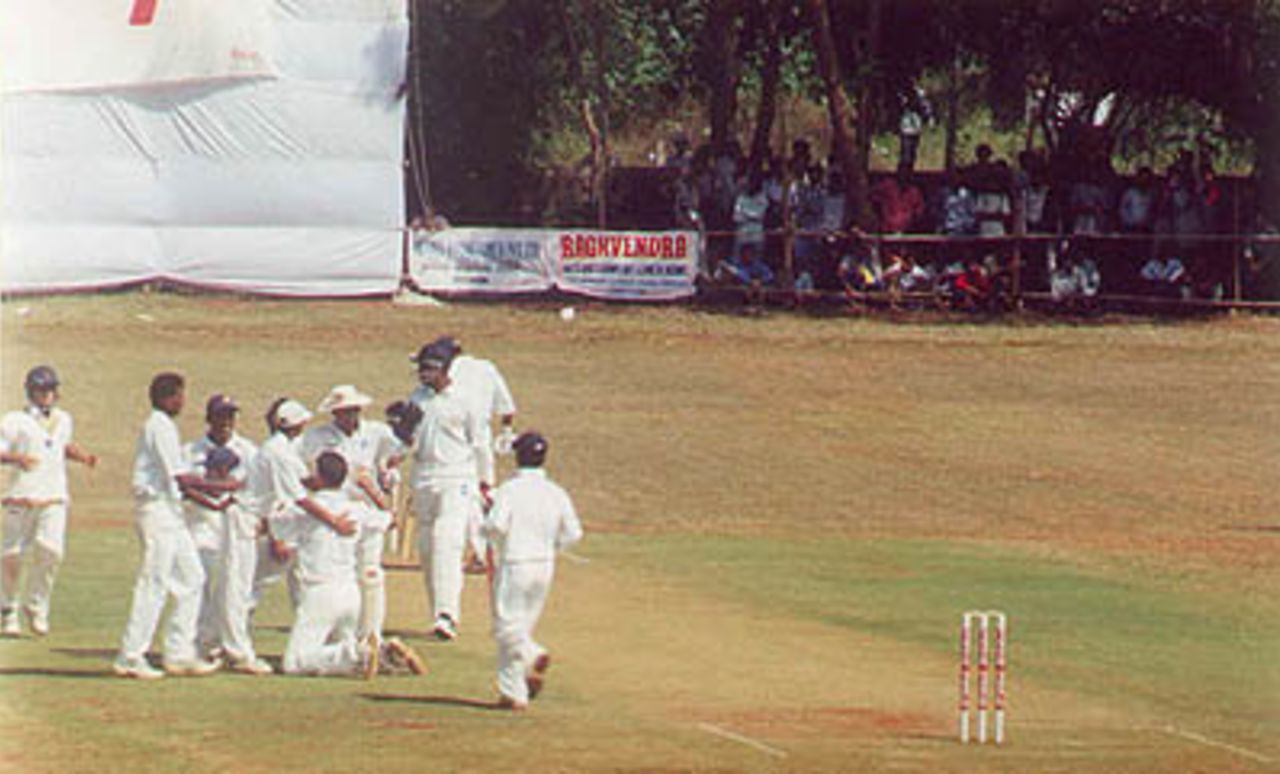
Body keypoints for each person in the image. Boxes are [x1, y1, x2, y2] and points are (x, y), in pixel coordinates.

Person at [114, 372, 240, 679]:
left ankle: (179, 653)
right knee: (153, 582)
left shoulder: (167, 427)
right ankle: (130, 656)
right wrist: (222, 484)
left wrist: (215, 495)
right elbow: (181, 478)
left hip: (171, 512)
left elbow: (183, 486)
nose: (183, 401)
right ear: (166, 398)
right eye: (180, 395)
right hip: (155, 510)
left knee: (192, 578)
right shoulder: (158, 426)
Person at [278, 451, 424, 677]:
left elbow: (275, 522)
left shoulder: (305, 510)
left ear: (319, 476)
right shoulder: (357, 509)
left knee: (294, 662)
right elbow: (391, 520)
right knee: (338, 656)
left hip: (320, 592)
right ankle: (384, 653)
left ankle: (360, 652)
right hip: (350, 593)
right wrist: (370, 490)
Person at [299, 385, 403, 655]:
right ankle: (341, 639)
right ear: (334, 413)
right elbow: (298, 466)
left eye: (353, 411)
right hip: (333, 507)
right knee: (338, 573)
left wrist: (385, 473)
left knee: (370, 573)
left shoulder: (376, 431)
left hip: (364, 510)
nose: (349, 417)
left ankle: (372, 639)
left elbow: (395, 454)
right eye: (343, 412)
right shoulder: (317, 436)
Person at [483, 432, 583, 711]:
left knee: (506, 626)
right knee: (520, 625)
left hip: (516, 562)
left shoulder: (510, 490)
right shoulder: (556, 492)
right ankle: (513, 693)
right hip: (544, 565)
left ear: (518, 456)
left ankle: (532, 654)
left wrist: (484, 522)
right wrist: (553, 547)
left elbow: (496, 526)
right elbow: (574, 533)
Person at [0, 366, 97, 637]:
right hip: (21, 495)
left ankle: (37, 605)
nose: (47, 395)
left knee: (51, 551)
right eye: (42, 390)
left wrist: (82, 456)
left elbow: (59, 446)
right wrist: (18, 459)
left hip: (54, 495)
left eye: (51, 389)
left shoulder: (64, 419)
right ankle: (7, 610)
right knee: (12, 556)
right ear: (30, 391)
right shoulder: (13, 420)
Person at [409, 341, 491, 641]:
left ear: (446, 370)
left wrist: (486, 483)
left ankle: (447, 615)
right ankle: (438, 614)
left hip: (456, 478)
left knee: (447, 543)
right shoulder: (417, 398)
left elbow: (480, 444)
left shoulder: (466, 400)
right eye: (421, 368)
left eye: (429, 369)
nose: (423, 374)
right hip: (423, 479)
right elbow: (408, 440)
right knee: (428, 551)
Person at [413, 339, 514, 575]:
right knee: (476, 498)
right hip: (473, 439)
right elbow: (507, 409)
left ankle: (484, 554)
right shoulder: (485, 367)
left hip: (464, 441)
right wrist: (507, 432)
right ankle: (482, 553)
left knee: (475, 499)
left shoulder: (458, 374)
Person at [182, 394, 266, 672]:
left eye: (230, 415)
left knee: (236, 590)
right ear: (209, 418)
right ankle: (206, 646)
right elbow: (184, 488)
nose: (226, 422)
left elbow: (255, 491)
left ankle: (233, 647)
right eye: (221, 415)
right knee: (201, 589)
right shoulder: (191, 451)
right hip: (201, 528)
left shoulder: (249, 451)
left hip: (237, 528)